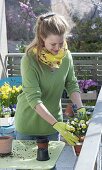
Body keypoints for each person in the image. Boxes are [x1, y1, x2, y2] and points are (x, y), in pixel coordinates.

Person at [15, 12, 87, 145]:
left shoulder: (65, 56)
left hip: (52, 127)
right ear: (42, 37)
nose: (58, 48)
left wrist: (80, 108)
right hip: (28, 127)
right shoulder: (29, 60)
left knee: (51, 166)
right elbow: (33, 98)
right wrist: (56, 124)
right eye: (53, 44)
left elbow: (71, 83)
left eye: (61, 43)